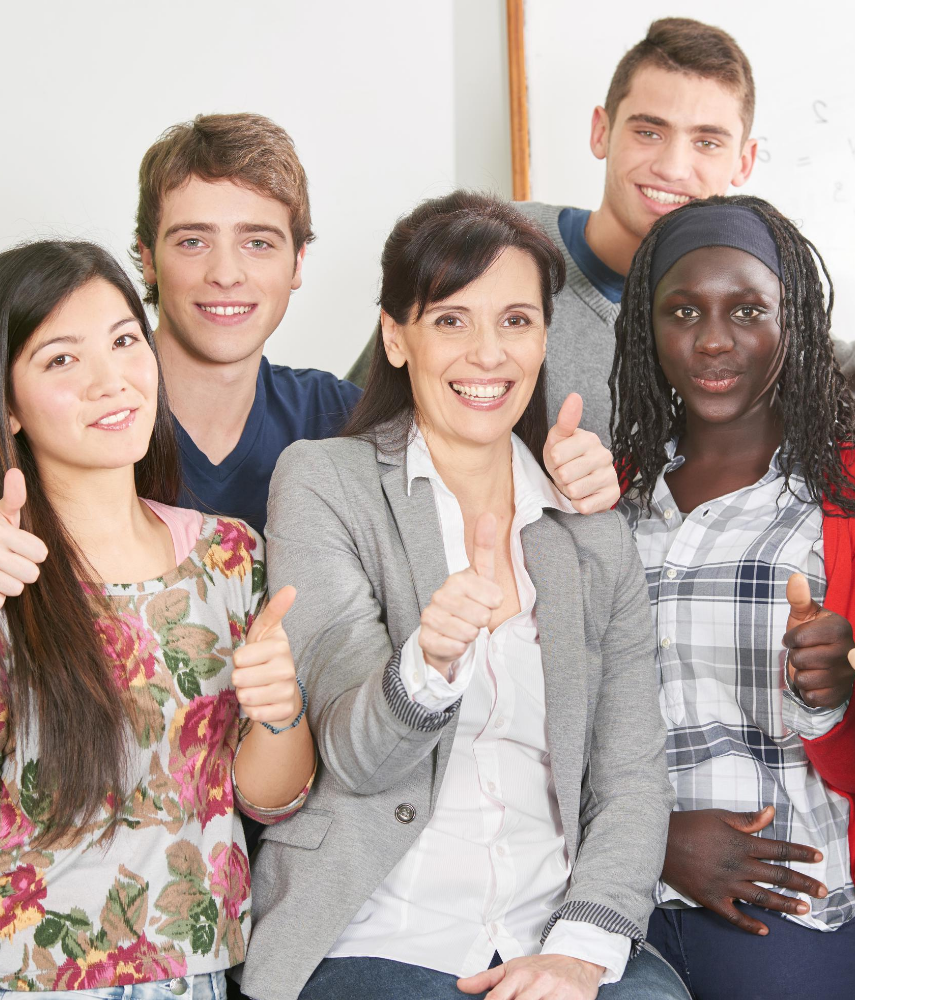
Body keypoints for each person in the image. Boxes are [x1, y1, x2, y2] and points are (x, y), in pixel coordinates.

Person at [242, 192, 688, 1000]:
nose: (489, 354)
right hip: (376, 931)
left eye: (516, 321)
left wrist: (578, 953)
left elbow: (631, 777)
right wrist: (430, 661)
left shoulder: (592, 529)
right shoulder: (325, 483)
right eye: (452, 320)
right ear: (395, 336)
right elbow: (351, 755)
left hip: (549, 929)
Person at [0, 114, 619, 611]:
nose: (227, 274)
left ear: (299, 264)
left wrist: (563, 473)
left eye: (259, 243)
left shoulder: (340, 419)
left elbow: (473, 476)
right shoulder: (36, 427)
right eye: (192, 241)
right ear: (145, 260)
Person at [0, 241, 315, 999]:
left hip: (200, 970)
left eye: (122, 341)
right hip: (27, 982)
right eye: (60, 361)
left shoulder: (231, 558)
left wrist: (281, 711)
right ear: (5, 406)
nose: (110, 379)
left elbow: (266, 799)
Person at [346, 18, 855, 441]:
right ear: (601, 131)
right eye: (649, 131)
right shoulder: (493, 249)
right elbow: (359, 420)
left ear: (743, 162)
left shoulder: (757, 305)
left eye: (707, 142)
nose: (674, 168)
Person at [610, 195, 854, 1000]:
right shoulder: (604, 495)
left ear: (797, 322)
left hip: (788, 894)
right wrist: (650, 841)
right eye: (684, 311)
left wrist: (848, 679)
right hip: (611, 892)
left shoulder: (850, 493)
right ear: (648, 328)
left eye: (748, 310)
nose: (714, 340)